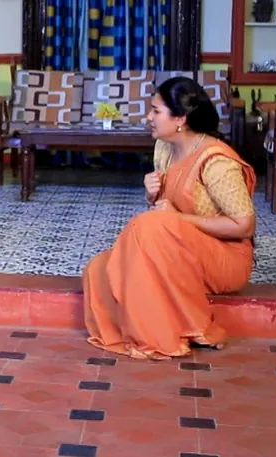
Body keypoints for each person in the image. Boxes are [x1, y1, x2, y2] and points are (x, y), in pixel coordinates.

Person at [82, 76, 257, 360]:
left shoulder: (216, 161)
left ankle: (184, 330)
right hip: (180, 249)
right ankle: (131, 331)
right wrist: (151, 194)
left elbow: (244, 226)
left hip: (224, 257)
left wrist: (179, 218)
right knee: (100, 267)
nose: (148, 117)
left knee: (147, 225)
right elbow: (165, 211)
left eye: (156, 111)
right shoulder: (164, 147)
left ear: (180, 119)